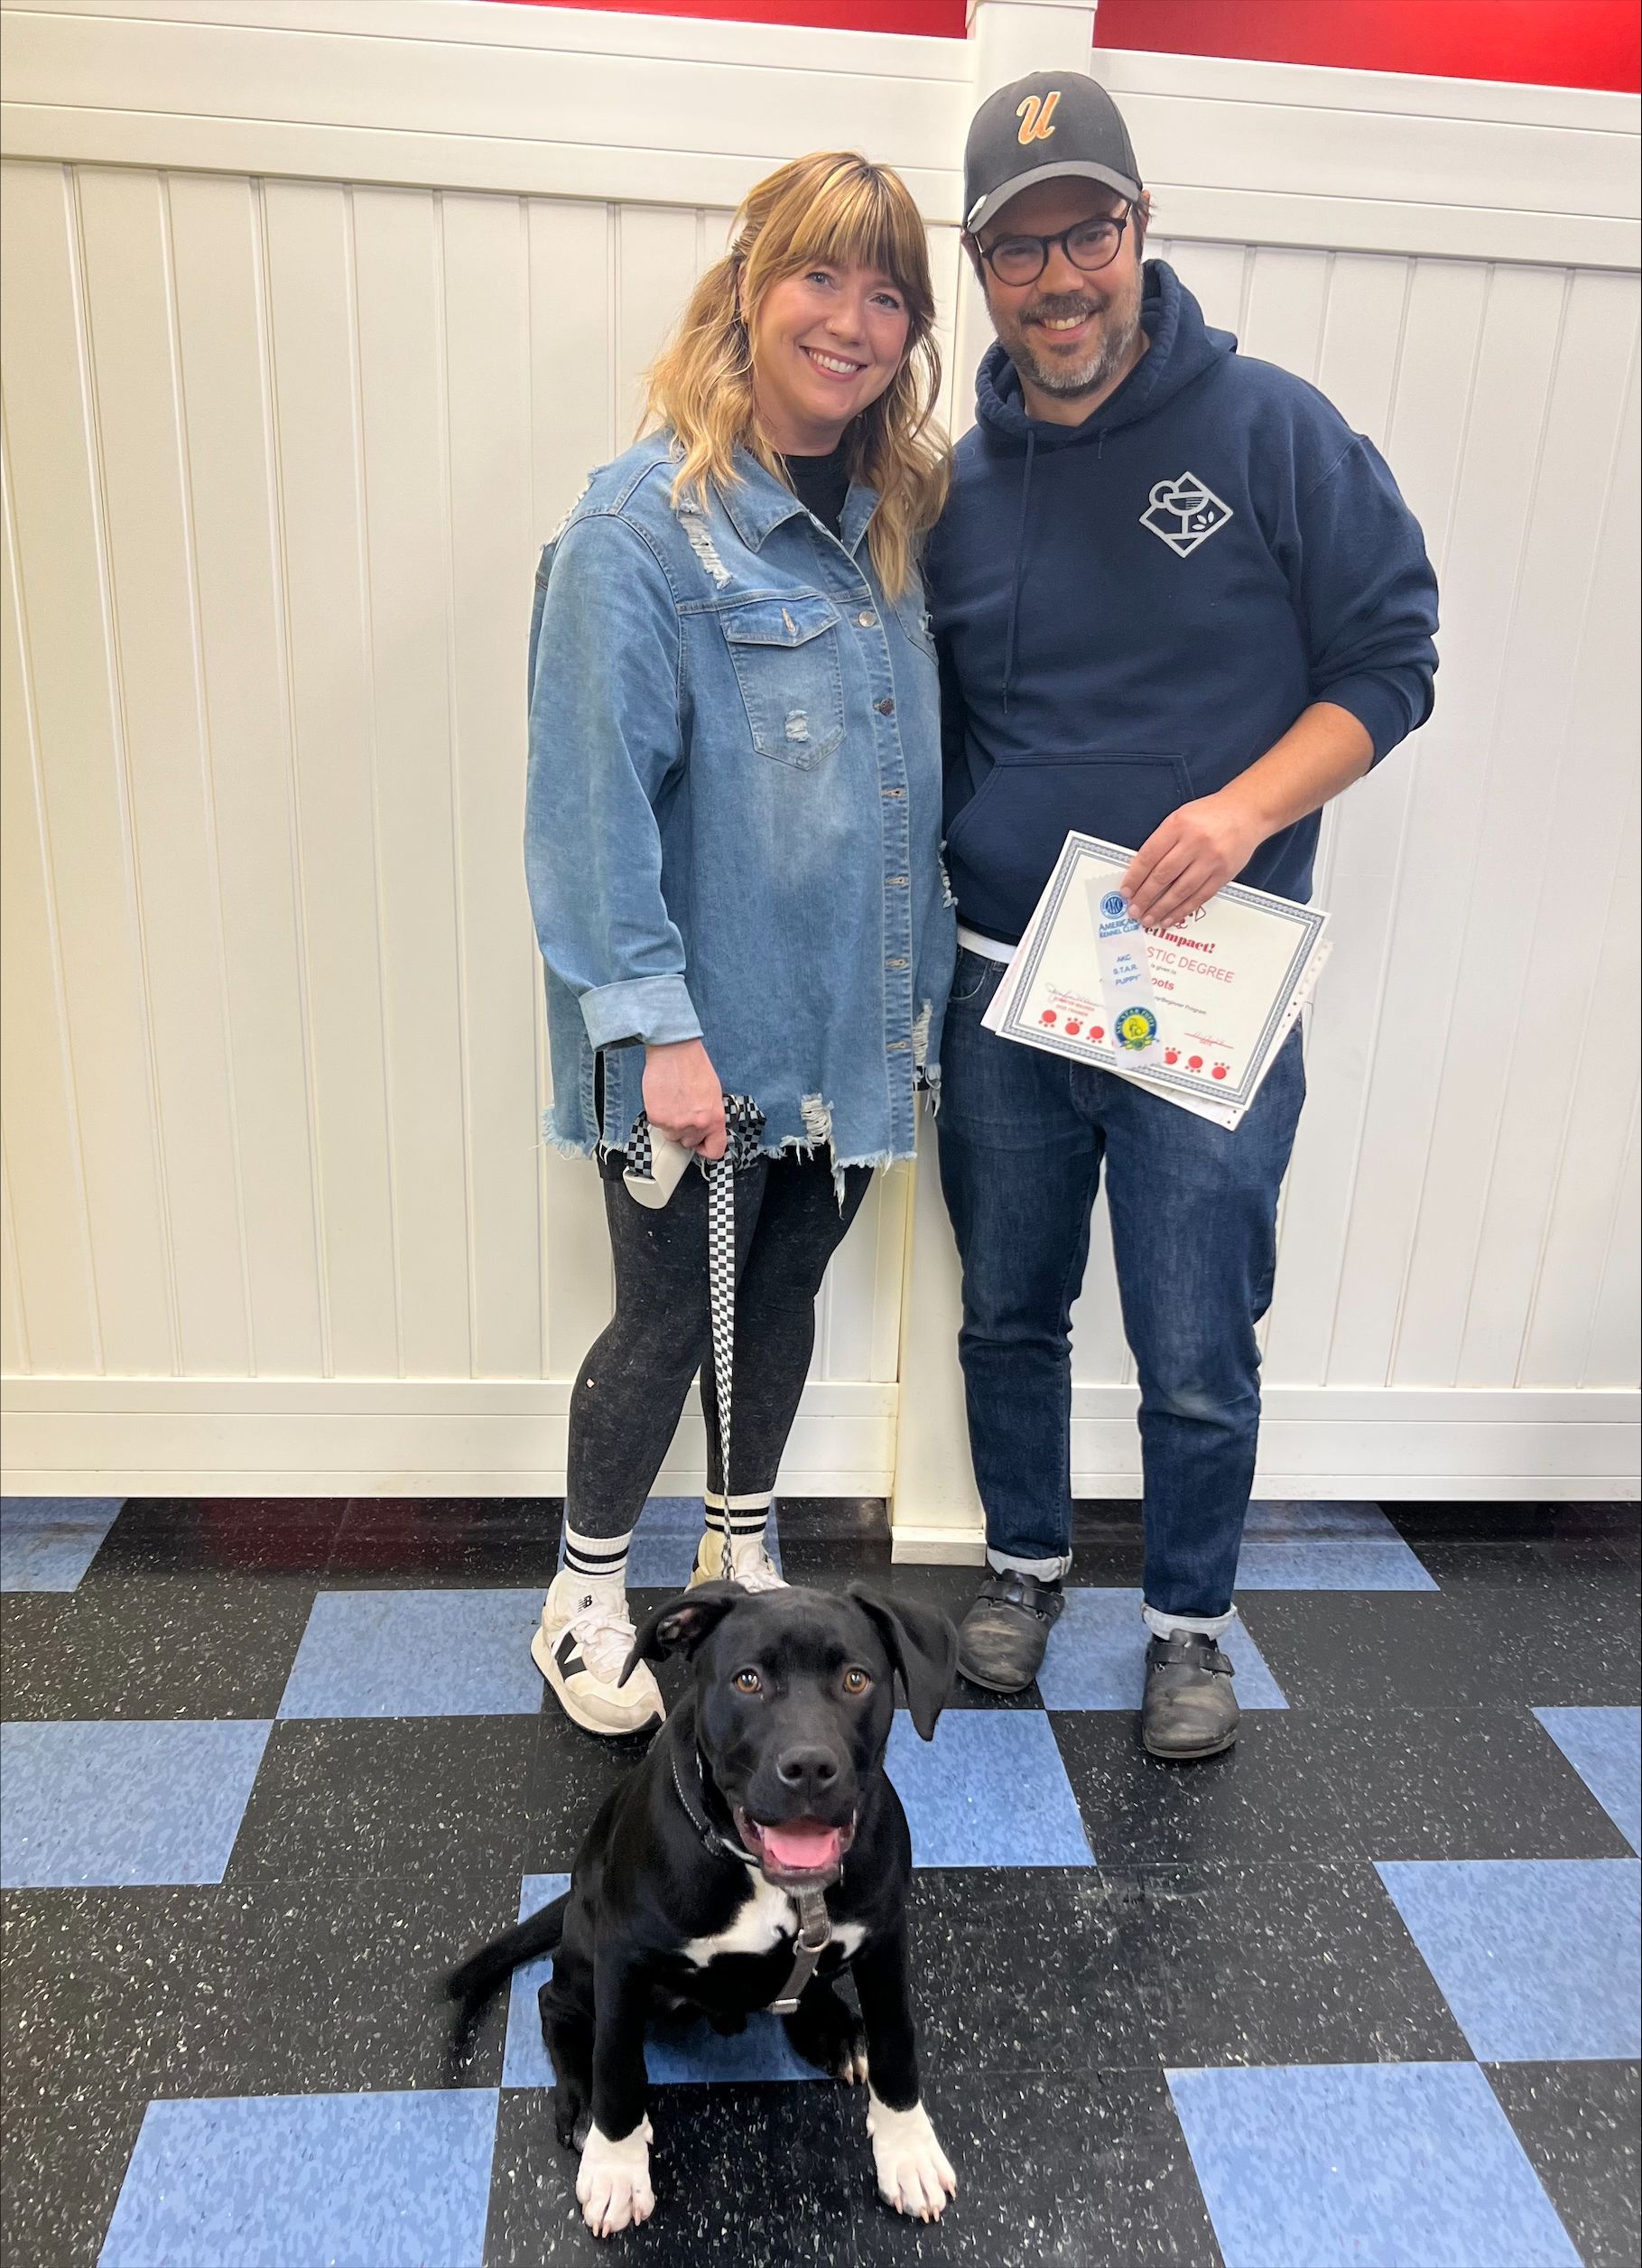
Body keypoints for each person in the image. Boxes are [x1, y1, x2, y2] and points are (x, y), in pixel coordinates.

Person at [927, 73, 1438, 1753]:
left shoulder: (1272, 428)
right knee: (1007, 1310)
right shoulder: (951, 489)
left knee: (1197, 1339)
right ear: (981, 264)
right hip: (1006, 988)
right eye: (1022, 246)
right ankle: (1018, 1566)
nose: (1060, 276)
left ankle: (1191, 1623)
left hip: (1205, 985)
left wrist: (1239, 811)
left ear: (1142, 233)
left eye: (1093, 231)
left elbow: (1391, 662)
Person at [524, 153, 954, 1736]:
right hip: (699, 1024)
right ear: (750, 284)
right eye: (821, 279)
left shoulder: (897, 517)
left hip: (848, 1024)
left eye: (889, 293)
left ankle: (739, 1538)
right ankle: (581, 1592)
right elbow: (587, 813)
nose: (852, 322)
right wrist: (657, 1027)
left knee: (776, 1301)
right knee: (659, 1316)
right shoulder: (642, 530)